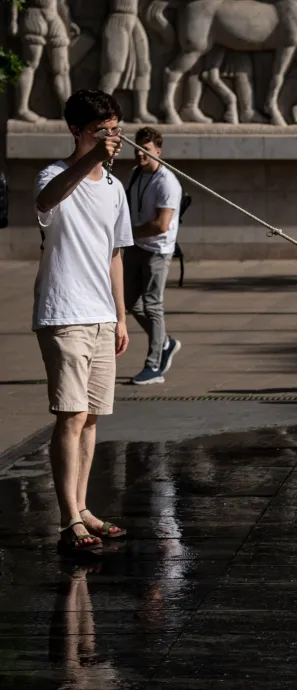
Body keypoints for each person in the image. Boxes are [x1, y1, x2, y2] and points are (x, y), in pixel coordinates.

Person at [33, 89, 132, 554]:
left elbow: (115, 254)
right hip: (64, 312)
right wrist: (90, 157)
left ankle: (83, 506)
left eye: (115, 129)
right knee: (70, 416)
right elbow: (48, 200)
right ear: (76, 131)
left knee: (91, 419)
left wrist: (120, 316)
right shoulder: (53, 175)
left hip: (100, 314)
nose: (111, 138)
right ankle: (68, 517)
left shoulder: (114, 188)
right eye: (100, 131)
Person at [124, 126, 183, 385]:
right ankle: (165, 342)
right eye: (137, 149)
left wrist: (130, 232)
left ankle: (155, 365)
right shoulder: (136, 173)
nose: (140, 154)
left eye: (146, 150)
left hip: (157, 250)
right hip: (137, 245)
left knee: (152, 305)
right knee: (128, 302)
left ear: (158, 151)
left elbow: (161, 224)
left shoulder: (167, 182)